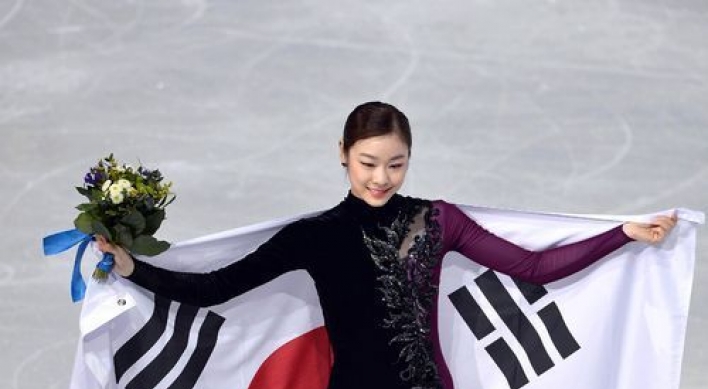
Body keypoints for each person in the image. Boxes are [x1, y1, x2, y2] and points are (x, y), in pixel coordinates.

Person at [97, 101, 677, 389]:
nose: (381, 178)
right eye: (368, 163)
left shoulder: (437, 220)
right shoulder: (315, 237)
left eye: (395, 164)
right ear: (343, 154)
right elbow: (217, 287)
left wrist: (621, 233)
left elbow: (534, 266)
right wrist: (132, 267)